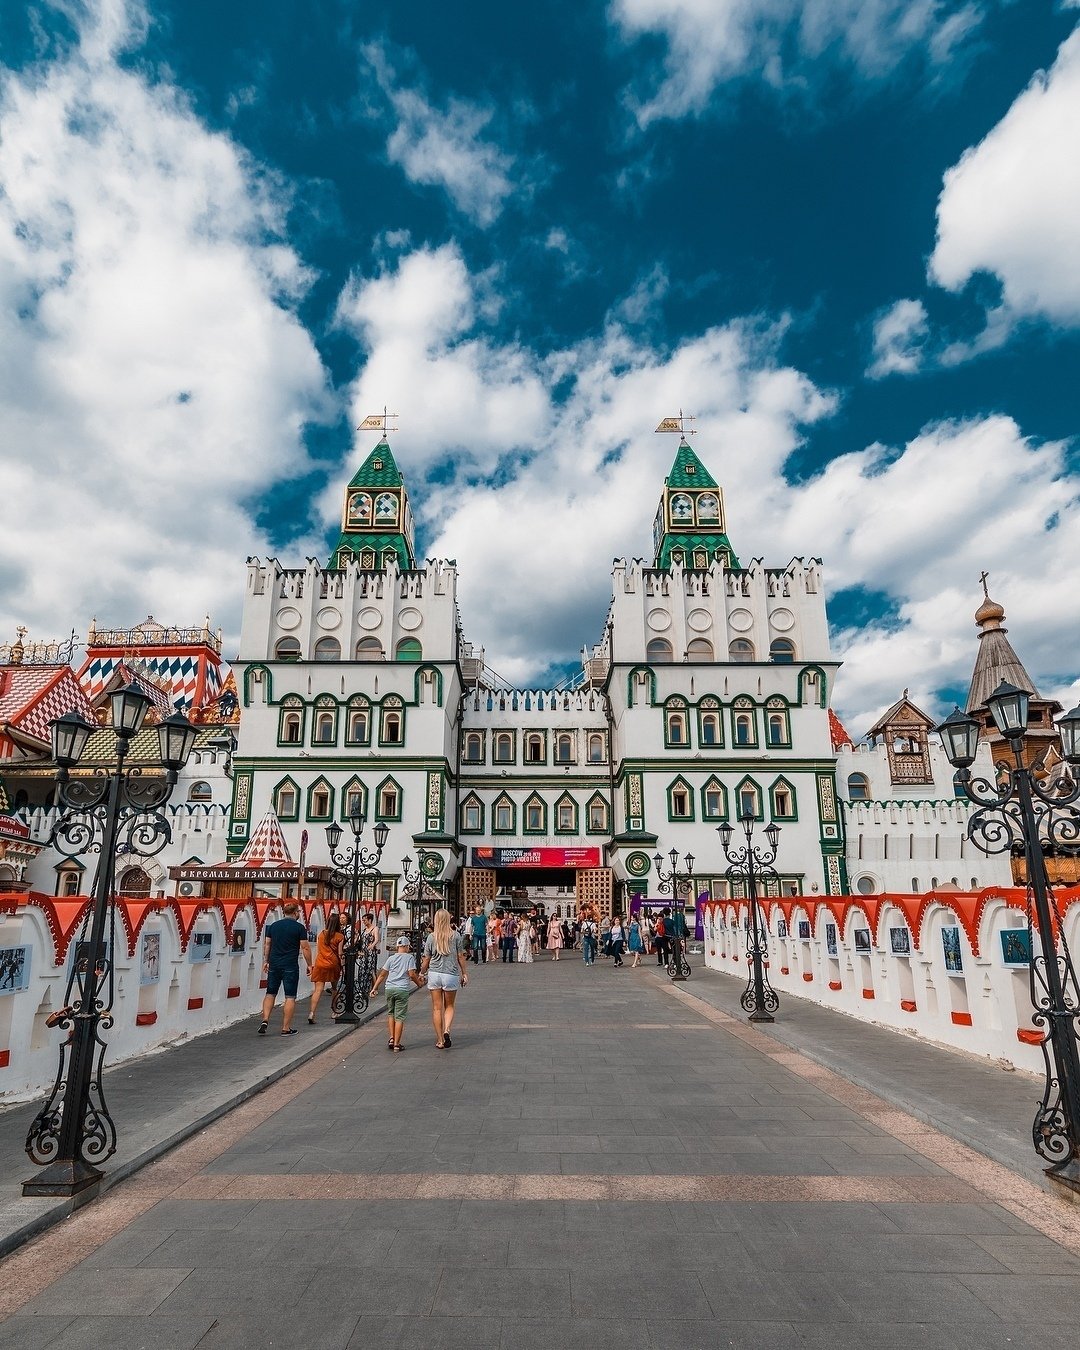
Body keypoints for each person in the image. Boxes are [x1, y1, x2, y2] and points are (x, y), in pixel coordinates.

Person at [259, 903, 312, 1036]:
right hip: (290, 966)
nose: (299, 914)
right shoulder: (299, 928)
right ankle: (286, 1028)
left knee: (270, 993)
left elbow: (267, 944)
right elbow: (305, 947)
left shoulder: (274, 926)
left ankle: (265, 1020)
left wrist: (266, 961)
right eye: (298, 911)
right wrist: (309, 964)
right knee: (290, 996)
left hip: (274, 964)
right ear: (295, 913)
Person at [420, 908, 468, 1048]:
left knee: (436, 1008)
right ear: (448, 919)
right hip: (450, 974)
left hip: (434, 974)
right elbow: (460, 956)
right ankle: (447, 1030)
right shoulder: (455, 936)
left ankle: (440, 1040)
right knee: (449, 1006)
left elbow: (426, 958)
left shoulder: (431, 937)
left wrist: (422, 972)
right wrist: (464, 973)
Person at [370, 933, 425, 1052]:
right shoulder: (409, 958)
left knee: (391, 1013)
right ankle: (396, 1044)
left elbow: (382, 975)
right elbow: (411, 974)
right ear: (406, 946)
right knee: (399, 1016)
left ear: (397, 947)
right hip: (402, 989)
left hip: (389, 988)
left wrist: (374, 988)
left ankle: (391, 1038)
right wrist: (419, 984)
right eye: (408, 947)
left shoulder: (391, 958)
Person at [307, 911, 343, 1023]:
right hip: (333, 964)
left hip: (320, 963)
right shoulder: (340, 936)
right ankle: (334, 1011)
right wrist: (343, 965)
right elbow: (340, 953)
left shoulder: (321, 934)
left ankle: (312, 1013)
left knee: (318, 990)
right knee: (334, 988)